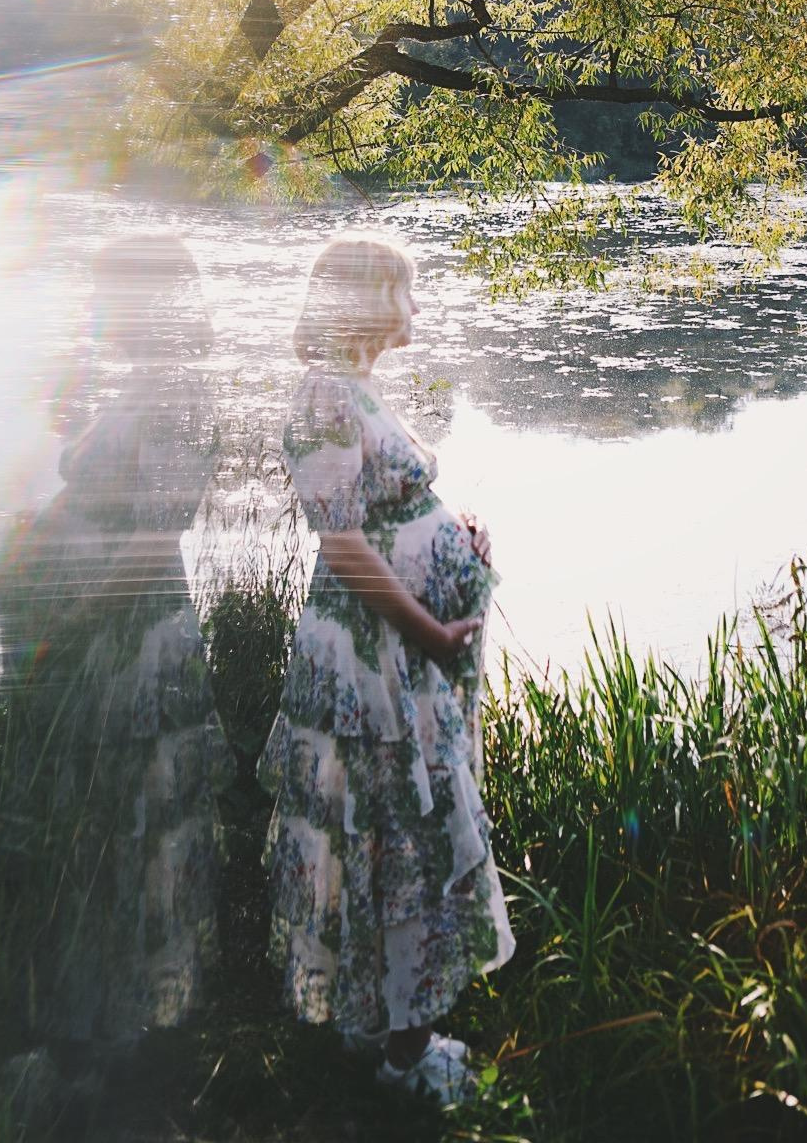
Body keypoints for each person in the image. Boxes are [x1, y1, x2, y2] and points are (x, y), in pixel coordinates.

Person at [258, 234, 514, 1104]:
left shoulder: (356, 389)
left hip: (397, 653)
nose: (418, 309)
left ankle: (382, 1027)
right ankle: (398, 1057)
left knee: (393, 833)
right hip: (371, 661)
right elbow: (342, 546)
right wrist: (432, 635)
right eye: (406, 292)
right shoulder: (327, 395)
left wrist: (459, 521)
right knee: (401, 832)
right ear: (366, 298)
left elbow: (390, 502)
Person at [0, 234, 233, 1062]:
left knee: (128, 825)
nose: (97, 311)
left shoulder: (182, 393)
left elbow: (148, 542)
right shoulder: (145, 386)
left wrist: (67, 624)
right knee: (96, 825)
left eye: (109, 296)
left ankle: (122, 1035)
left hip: (124, 645)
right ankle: (88, 1017)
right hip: (97, 640)